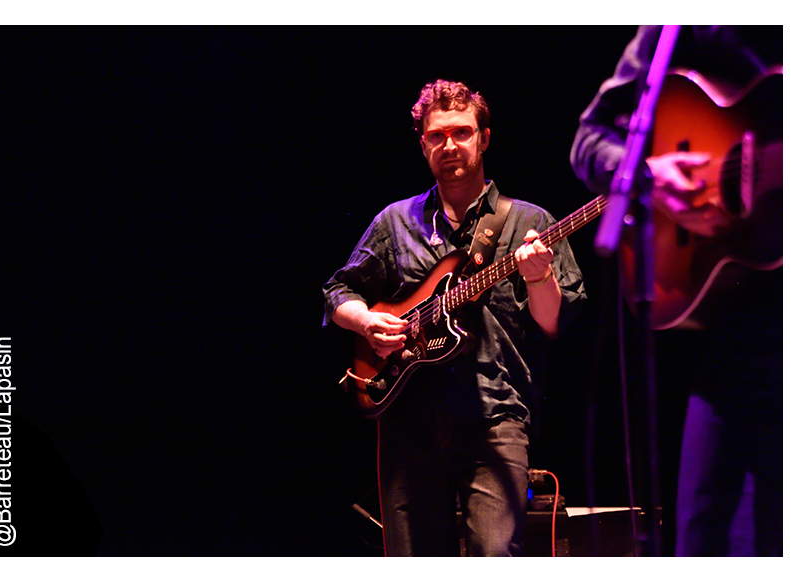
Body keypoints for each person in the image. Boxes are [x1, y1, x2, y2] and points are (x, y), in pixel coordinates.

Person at [322, 79, 586, 556]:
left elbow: (555, 323)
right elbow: (337, 291)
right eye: (436, 135)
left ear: (483, 137)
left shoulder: (530, 223)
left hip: (495, 419)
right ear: (422, 142)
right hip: (407, 423)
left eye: (461, 133)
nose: (450, 145)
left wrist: (539, 277)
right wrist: (366, 322)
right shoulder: (395, 222)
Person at [570, 25, 783, 556]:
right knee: (701, 536)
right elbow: (590, 137)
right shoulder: (688, 23)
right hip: (733, 330)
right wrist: (644, 172)